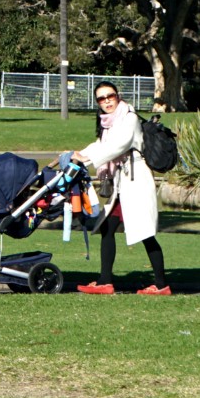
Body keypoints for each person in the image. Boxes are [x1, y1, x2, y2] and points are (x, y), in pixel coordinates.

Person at [73, 80, 170, 295]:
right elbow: (102, 144)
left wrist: (85, 159)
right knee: (108, 227)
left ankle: (162, 285)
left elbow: (119, 145)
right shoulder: (108, 122)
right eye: (101, 98)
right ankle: (105, 281)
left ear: (118, 96)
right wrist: (78, 154)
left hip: (135, 180)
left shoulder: (129, 118)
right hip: (121, 182)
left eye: (110, 96)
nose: (107, 101)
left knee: (145, 233)